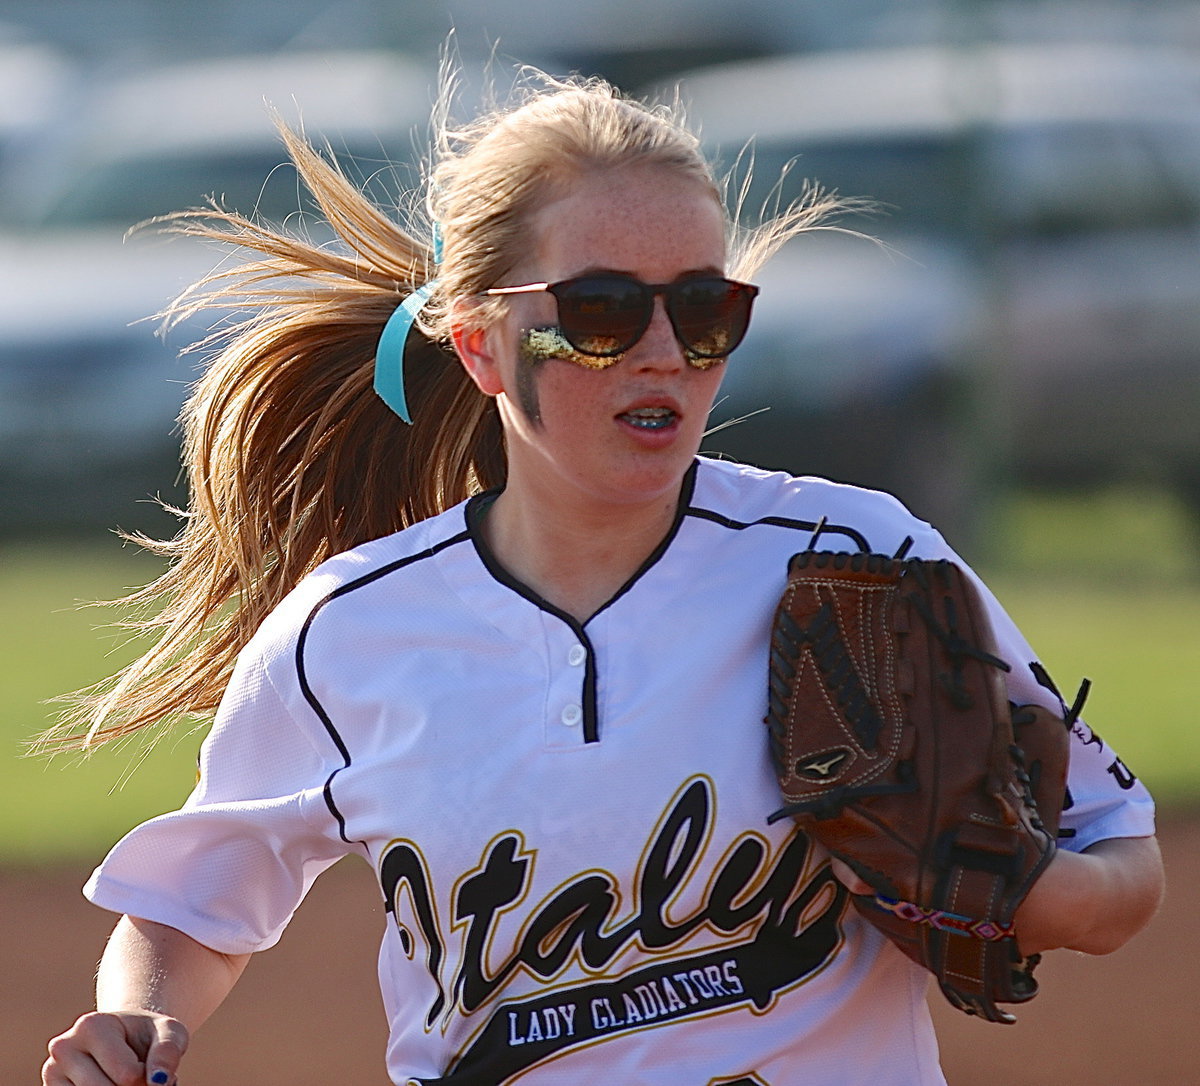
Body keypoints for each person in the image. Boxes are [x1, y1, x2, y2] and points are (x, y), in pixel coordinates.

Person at [41, 66, 1163, 1086]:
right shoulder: (348, 632)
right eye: (603, 311)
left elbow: (1123, 854)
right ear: (480, 345)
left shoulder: (859, 562)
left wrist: (1031, 892)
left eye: (706, 307)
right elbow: (184, 910)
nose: (666, 350)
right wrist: (138, 1023)